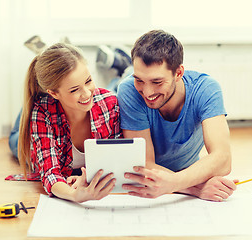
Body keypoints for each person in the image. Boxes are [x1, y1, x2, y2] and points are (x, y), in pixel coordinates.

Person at [117, 30, 238, 202]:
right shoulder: (129, 90)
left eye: (157, 82)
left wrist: (174, 183)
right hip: (168, 183)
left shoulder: (206, 89)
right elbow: (144, 164)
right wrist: (193, 189)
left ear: (179, 73)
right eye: (139, 80)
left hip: (187, 175)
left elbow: (223, 159)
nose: (147, 92)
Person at [18, 43, 121, 203]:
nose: (86, 93)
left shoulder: (110, 103)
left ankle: (121, 72)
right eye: (74, 90)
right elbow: (50, 173)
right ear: (53, 93)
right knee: (15, 140)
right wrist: (74, 195)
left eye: (88, 81)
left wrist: (86, 181)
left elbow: (116, 161)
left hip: (86, 104)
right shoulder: (42, 112)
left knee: (115, 89)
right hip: (36, 138)